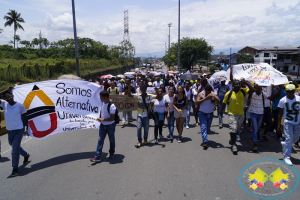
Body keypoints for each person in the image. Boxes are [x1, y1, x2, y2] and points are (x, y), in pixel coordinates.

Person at [220, 77, 255, 154]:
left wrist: (245, 82)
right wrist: (221, 112)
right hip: (232, 114)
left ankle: (231, 139)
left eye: (239, 84)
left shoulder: (243, 91)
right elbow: (224, 103)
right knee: (233, 129)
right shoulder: (228, 93)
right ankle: (233, 144)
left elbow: (253, 90)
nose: (238, 85)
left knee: (237, 130)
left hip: (241, 114)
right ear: (233, 85)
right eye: (236, 84)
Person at [0, 88, 30, 177]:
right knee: (12, 145)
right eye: (6, 97)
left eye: (9, 96)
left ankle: (15, 168)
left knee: (14, 150)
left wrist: (27, 128)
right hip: (9, 131)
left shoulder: (20, 106)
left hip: (18, 130)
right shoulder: (4, 104)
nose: (8, 98)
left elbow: (25, 118)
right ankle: (26, 154)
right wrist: (6, 90)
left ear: (13, 96)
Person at [90, 90, 116, 163]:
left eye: (101, 97)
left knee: (111, 140)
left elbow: (112, 118)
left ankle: (111, 152)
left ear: (105, 97)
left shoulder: (112, 106)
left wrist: (102, 119)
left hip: (110, 126)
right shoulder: (102, 103)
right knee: (100, 140)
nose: (100, 99)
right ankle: (97, 156)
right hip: (103, 126)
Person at [277, 84, 300, 166]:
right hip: (287, 122)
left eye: (292, 91)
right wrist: (279, 125)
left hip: (297, 122)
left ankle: (285, 144)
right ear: (286, 91)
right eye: (288, 92)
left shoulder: (298, 99)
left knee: (295, 139)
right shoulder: (283, 100)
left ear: (294, 91)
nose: (290, 93)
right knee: (289, 139)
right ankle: (286, 157)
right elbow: (280, 114)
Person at [247, 84, 271, 152]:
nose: (258, 91)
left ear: (261, 90)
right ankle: (255, 144)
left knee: (257, 128)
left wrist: (273, 89)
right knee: (254, 128)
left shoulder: (263, 94)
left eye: (259, 90)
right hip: (253, 113)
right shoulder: (252, 93)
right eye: (257, 89)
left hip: (260, 114)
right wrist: (246, 106)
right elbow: (249, 94)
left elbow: (271, 98)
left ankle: (252, 138)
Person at [197, 85, 220, 149]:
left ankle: (205, 137)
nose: (207, 93)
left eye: (208, 92)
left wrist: (213, 96)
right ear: (205, 90)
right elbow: (197, 102)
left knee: (207, 128)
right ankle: (205, 141)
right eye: (206, 92)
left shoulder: (214, 94)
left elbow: (218, 101)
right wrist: (205, 98)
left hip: (210, 114)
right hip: (202, 114)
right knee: (203, 127)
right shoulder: (201, 94)